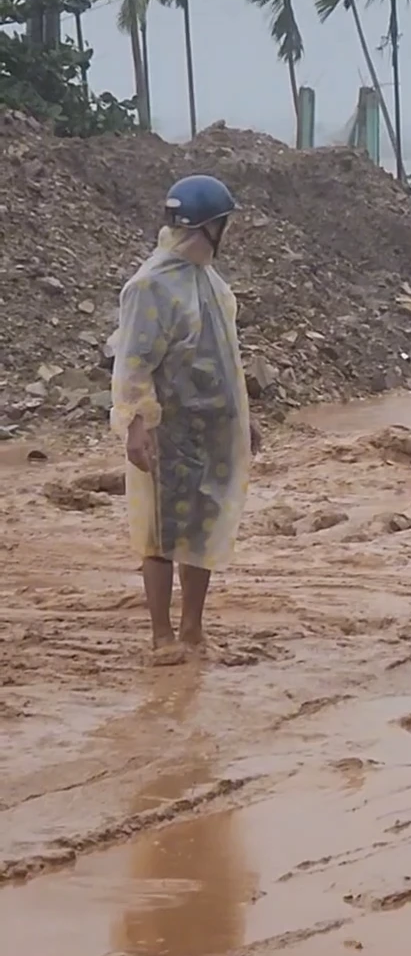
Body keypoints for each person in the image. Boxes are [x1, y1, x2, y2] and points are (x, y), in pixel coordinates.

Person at [112, 174, 260, 664]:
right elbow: (133, 361)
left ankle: (193, 628)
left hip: (213, 427)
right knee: (159, 529)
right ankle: (161, 635)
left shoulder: (210, 283)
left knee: (203, 523)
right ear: (208, 226)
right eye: (224, 225)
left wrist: (246, 416)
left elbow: (228, 359)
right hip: (166, 428)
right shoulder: (149, 286)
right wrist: (135, 423)